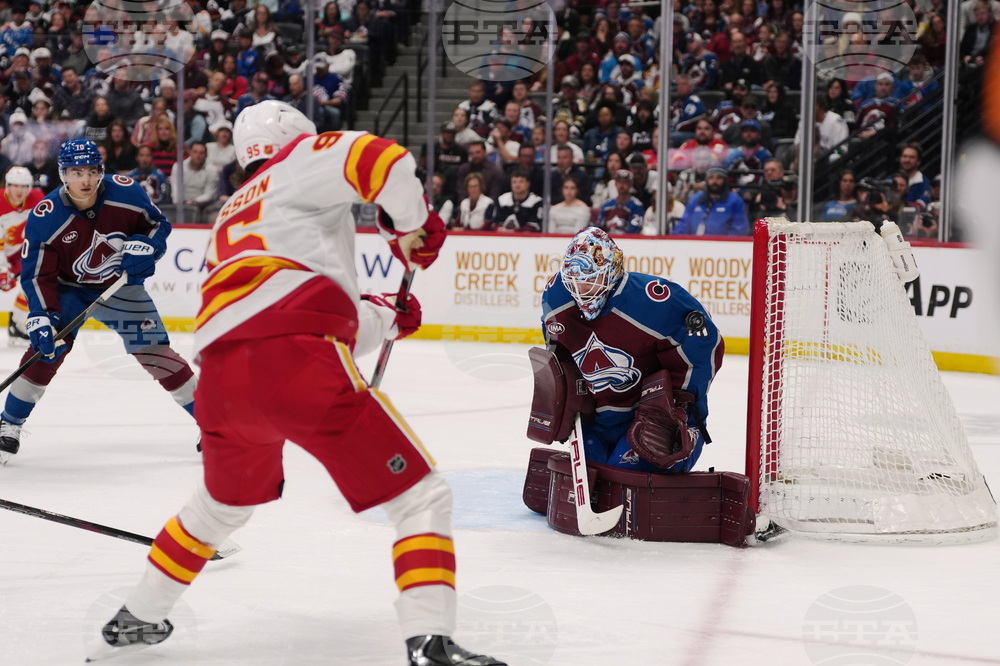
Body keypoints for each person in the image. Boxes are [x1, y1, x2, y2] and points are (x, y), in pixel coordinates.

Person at [87, 101, 506, 666]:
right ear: (296, 135)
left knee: (216, 510)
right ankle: (429, 638)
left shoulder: (231, 213)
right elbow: (382, 158)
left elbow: (284, 309)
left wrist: (382, 316)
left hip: (222, 383)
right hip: (295, 365)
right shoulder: (301, 161)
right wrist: (412, 227)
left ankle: (139, 614)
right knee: (422, 497)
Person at [0, 139, 198, 465]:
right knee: (47, 350)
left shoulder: (127, 193)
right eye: (77, 172)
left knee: (155, 353)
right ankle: (10, 422)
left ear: (101, 171)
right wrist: (41, 316)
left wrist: (149, 249)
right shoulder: (45, 216)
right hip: (69, 290)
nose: (86, 180)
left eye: (92, 171)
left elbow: (157, 227)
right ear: (63, 174)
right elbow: (38, 275)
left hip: (119, 287)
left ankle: (213, 423)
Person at [538, 227, 723, 474]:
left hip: (655, 419)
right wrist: (568, 396)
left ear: (612, 271)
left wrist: (678, 406)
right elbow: (557, 350)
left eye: (590, 279)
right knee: (596, 476)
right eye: (575, 281)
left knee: (624, 478)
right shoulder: (557, 297)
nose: (582, 291)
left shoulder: (652, 300)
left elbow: (705, 342)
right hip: (602, 420)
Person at [0, 166, 44, 343]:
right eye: (15, 186)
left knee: (36, 280)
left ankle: (18, 324)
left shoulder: (37, 198)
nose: (20, 191)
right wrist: (3, 269)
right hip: (3, 252)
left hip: (21, 252)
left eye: (24, 186)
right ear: (7, 186)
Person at [673, 165, 749, 235]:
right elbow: (683, 224)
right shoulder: (696, 199)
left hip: (724, 246)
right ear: (707, 180)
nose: (714, 181)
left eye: (719, 178)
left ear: (725, 180)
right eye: (711, 178)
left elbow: (740, 228)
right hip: (696, 244)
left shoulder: (735, 201)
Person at [597, 169, 646, 234]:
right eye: (619, 181)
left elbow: (634, 230)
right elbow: (599, 228)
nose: (621, 185)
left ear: (631, 184)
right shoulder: (607, 204)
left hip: (627, 242)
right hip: (607, 241)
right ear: (615, 184)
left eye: (625, 182)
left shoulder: (636, 205)